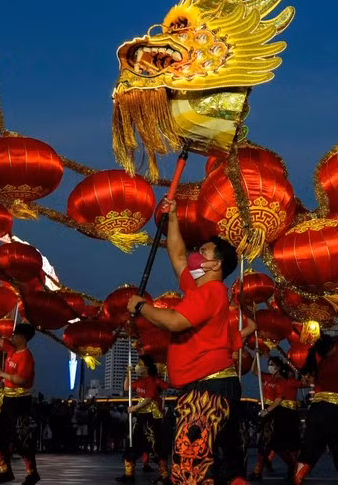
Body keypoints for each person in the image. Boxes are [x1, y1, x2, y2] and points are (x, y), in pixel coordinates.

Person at [127, 198, 244, 485]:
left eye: (202, 251)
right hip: (211, 386)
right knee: (225, 467)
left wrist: (141, 307)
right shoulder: (197, 287)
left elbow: (175, 322)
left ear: (215, 263)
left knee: (190, 465)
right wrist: (174, 218)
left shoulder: (212, 291)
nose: (195, 254)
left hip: (208, 389)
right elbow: (177, 255)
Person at [293, 316, 338, 485]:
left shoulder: (318, 364)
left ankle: (299, 475)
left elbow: (327, 390)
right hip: (333, 412)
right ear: (330, 348)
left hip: (316, 410)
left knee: (312, 443)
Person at [0, 323, 40, 485]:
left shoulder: (26, 356)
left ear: (23, 338)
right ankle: (5, 470)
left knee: (21, 438)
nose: (12, 337)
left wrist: (2, 374)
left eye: (15, 335)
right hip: (7, 400)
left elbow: (22, 380)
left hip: (20, 401)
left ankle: (32, 473)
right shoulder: (11, 350)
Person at [117, 355, 170, 484]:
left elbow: (149, 399)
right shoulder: (140, 381)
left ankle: (164, 477)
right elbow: (126, 388)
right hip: (141, 417)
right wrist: (128, 373)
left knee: (155, 447)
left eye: (139, 364)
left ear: (146, 367)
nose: (137, 366)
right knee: (132, 444)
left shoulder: (151, 381)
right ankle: (129, 475)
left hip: (151, 418)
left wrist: (134, 408)